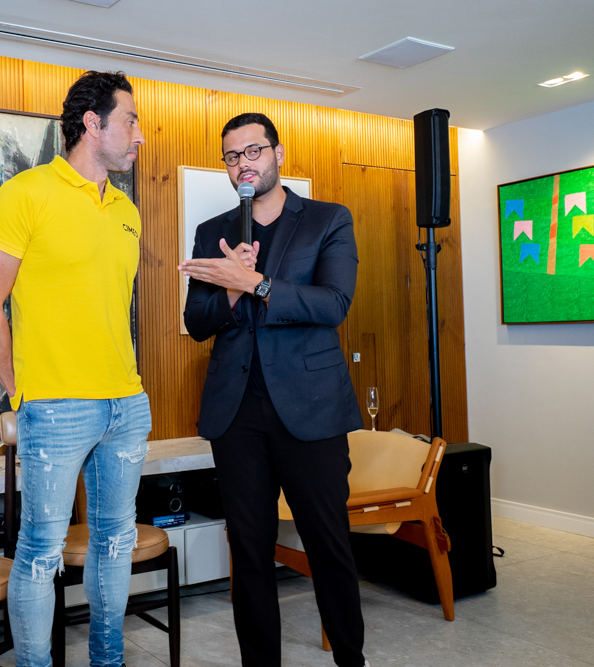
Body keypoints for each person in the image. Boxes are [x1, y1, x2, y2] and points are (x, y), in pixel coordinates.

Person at [0, 70, 149, 667]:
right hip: (56, 407)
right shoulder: (26, 193)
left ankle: (108, 659)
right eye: (130, 120)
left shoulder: (127, 210)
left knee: (115, 541)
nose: (139, 135)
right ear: (92, 124)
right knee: (41, 551)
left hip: (126, 404)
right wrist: (20, 392)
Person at [178, 113, 368, 667]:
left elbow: (333, 304)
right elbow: (197, 322)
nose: (243, 163)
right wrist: (231, 292)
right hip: (236, 414)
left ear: (278, 153)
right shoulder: (212, 231)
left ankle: (351, 659)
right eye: (232, 156)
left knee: (328, 544)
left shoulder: (327, 219)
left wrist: (256, 283)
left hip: (311, 408)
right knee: (250, 551)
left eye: (253, 151)